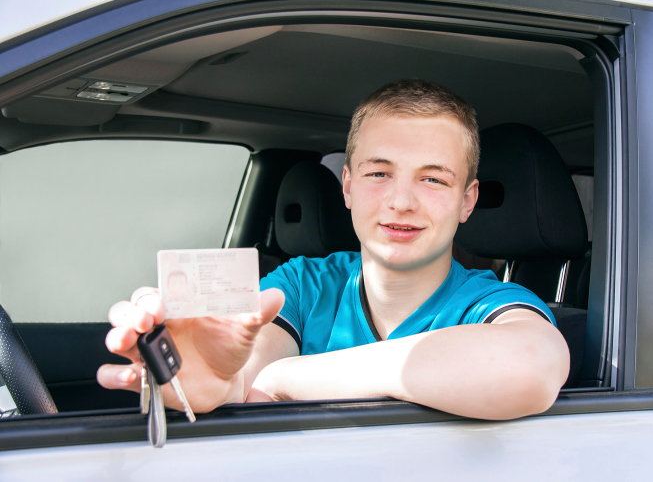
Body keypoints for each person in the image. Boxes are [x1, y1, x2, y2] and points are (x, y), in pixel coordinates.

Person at [97, 79, 569, 419]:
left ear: (467, 201)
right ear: (347, 187)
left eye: (432, 179)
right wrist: (223, 383)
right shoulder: (302, 284)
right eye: (379, 173)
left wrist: (286, 380)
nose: (400, 202)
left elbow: (530, 366)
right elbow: (245, 374)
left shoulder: (490, 305)